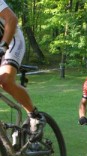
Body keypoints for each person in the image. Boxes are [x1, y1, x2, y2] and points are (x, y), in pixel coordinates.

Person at [0, 1, 45, 137]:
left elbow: (12, 19)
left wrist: (3, 47)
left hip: (12, 39)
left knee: (5, 80)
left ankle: (34, 115)